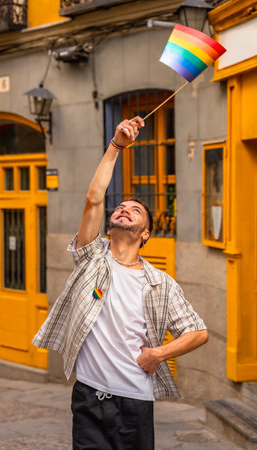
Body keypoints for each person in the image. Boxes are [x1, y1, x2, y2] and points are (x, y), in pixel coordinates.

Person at [33, 116, 208, 450]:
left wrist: (158, 353)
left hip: (133, 401)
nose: (124, 210)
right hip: (86, 395)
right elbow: (94, 198)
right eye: (121, 207)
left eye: (135, 211)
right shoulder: (91, 259)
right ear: (110, 224)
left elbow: (198, 332)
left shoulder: (160, 283)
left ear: (145, 234)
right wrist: (116, 146)